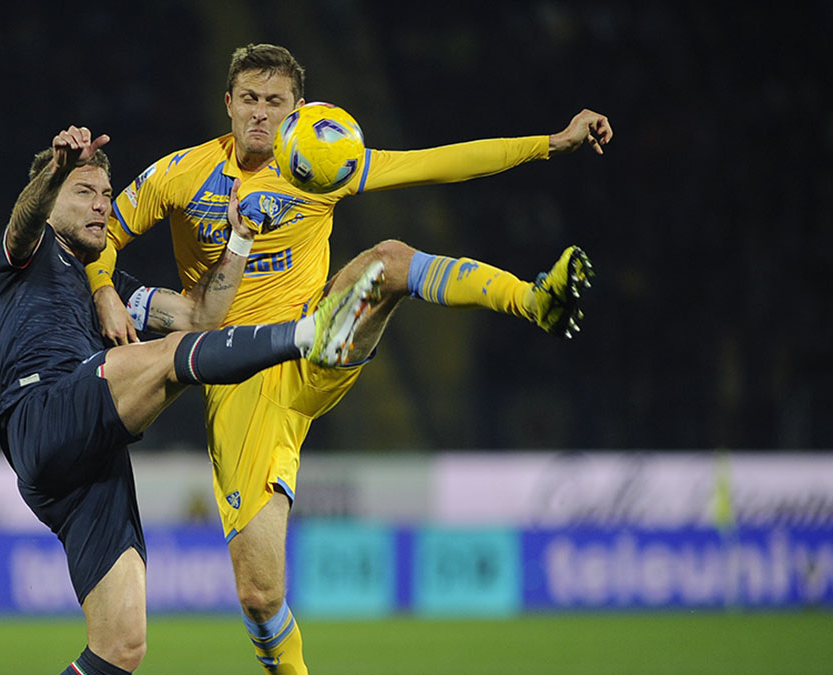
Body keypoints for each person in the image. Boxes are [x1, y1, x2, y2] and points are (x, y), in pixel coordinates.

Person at [84, 44, 611, 674]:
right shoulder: (180, 174)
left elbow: (437, 164)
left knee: (388, 261)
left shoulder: (322, 160)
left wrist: (552, 143)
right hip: (240, 376)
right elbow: (104, 233)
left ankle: (533, 301)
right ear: (227, 104)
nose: (259, 114)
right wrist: (104, 291)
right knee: (260, 596)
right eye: (248, 100)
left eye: (274, 102)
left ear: (296, 110)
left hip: (320, 336)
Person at [0, 125, 383, 675]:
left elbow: (201, 318)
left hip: (85, 469)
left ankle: (306, 333)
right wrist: (55, 170)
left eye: (106, 195)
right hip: (43, 413)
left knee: (120, 648)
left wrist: (240, 240)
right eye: (84, 193)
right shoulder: (27, 254)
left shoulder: (114, 288)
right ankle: (309, 334)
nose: (102, 206)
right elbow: (21, 221)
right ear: (51, 197)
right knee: (171, 359)